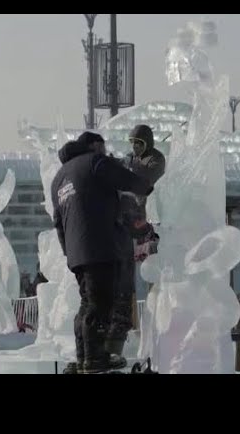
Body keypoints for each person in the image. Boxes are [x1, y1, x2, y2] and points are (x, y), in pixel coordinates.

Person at [52, 132, 153, 374]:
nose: (105, 151)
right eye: (103, 147)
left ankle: (85, 357)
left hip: (78, 253)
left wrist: (70, 254)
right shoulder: (94, 161)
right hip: (99, 246)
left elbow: (58, 222)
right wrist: (146, 187)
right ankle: (96, 359)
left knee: (87, 303)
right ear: (94, 146)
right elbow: (124, 178)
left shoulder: (59, 179)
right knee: (99, 304)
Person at [107, 125, 166, 357]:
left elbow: (146, 178)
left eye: (139, 143)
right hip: (129, 218)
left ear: (147, 143)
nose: (135, 147)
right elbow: (122, 169)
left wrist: (129, 170)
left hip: (147, 216)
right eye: (133, 142)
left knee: (152, 267)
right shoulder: (131, 157)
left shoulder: (156, 158)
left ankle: (155, 322)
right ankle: (129, 321)